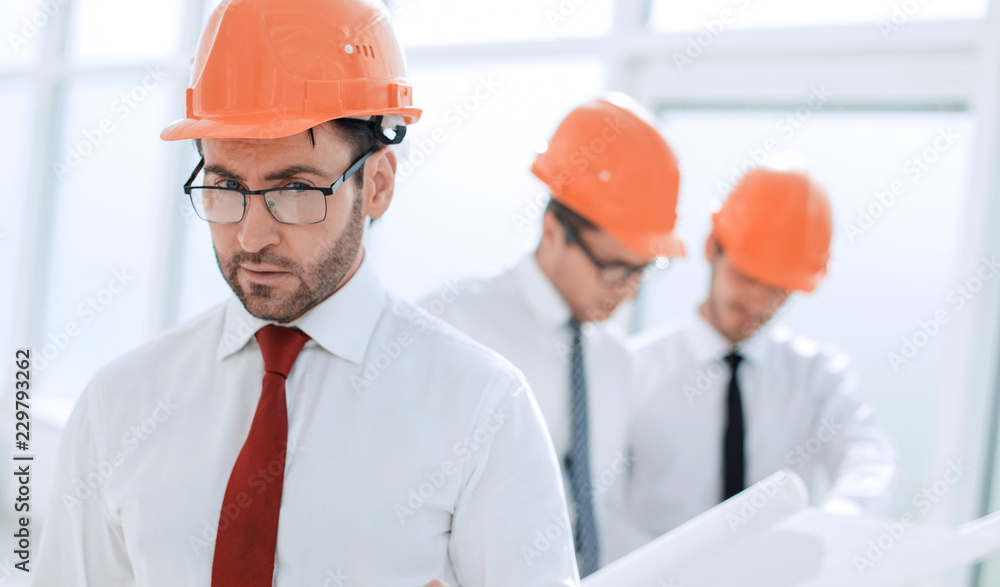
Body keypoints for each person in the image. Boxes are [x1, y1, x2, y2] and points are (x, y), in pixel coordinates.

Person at [33, 0, 578, 585]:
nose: (252, 234)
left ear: (379, 184)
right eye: (224, 186)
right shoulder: (119, 405)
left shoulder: (482, 409)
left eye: (295, 189)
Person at [424, 95, 686, 575]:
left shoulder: (613, 359)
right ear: (552, 231)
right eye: (614, 269)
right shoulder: (452, 326)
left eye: (642, 271)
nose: (627, 293)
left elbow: (596, 514)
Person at [626, 166, 897, 539]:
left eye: (778, 289)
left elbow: (868, 455)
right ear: (712, 247)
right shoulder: (633, 370)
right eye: (747, 276)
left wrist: (836, 522)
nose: (757, 301)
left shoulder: (815, 375)